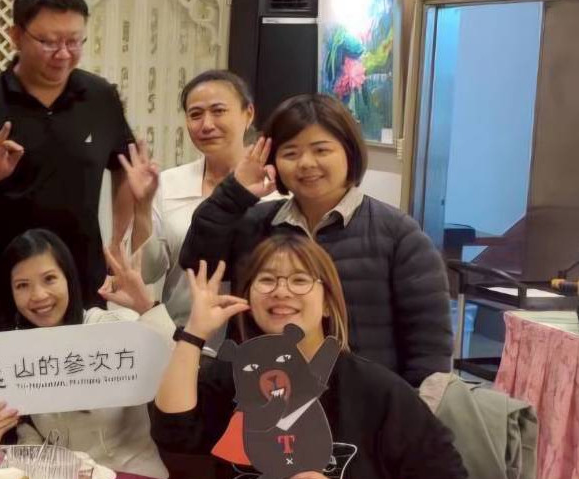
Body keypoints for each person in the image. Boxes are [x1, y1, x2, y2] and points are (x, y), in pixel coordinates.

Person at [152, 236, 468, 479]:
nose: (281, 291)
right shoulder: (236, 375)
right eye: (267, 280)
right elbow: (173, 432)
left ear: (328, 303)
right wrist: (194, 332)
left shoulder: (376, 390)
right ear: (249, 300)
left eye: (300, 280)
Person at [180, 93, 451, 385]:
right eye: (290, 153)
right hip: (260, 397)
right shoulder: (254, 223)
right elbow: (197, 263)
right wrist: (235, 192)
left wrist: (403, 408)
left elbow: (430, 349)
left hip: (361, 402)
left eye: (321, 150)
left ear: (349, 151)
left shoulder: (399, 235)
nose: (306, 163)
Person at [0, 0, 142, 334]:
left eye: (74, 41)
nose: (63, 54)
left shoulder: (100, 98)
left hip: (79, 282)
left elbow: (124, 168)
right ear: (16, 36)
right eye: (49, 42)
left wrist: (117, 240)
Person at [0, 230, 173, 478]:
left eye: (49, 279)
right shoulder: (18, 355)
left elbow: (180, 370)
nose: (38, 295)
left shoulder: (107, 327)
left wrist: (146, 306)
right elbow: (31, 441)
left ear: (68, 278)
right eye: (22, 285)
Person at [140, 70, 274, 326]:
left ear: (248, 114)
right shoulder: (167, 183)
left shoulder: (273, 185)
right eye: (195, 115)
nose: (207, 124)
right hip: (181, 330)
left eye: (218, 111)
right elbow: (148, 272)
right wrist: (140, 208)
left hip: (256, 334)